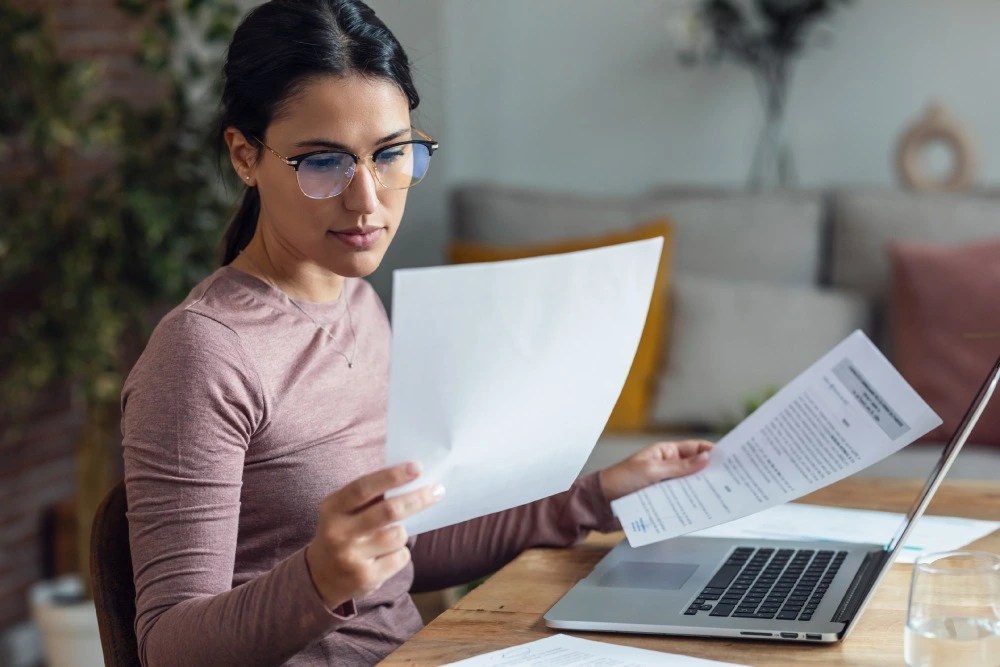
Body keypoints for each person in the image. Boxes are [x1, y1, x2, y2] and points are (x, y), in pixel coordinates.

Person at [120, 1, 714, 665]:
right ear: (244, 155)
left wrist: (595, 497)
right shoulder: (205, 353)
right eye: (325, 163)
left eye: (391, 154)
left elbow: (407, 547)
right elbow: (167, 646)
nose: (368, 200)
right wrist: (320, 578)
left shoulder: (357, 303)